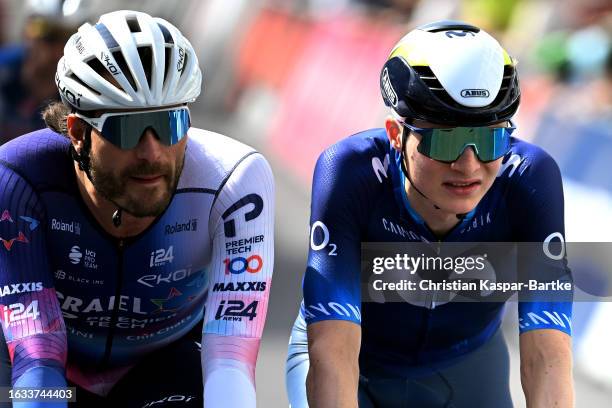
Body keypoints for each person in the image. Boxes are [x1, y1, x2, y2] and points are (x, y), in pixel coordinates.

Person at [286, 21, 573, 407]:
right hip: (356, 360)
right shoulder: (350, 172)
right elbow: (334, 352)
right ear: (394, 133)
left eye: (491, 139)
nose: (468, 166)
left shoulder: (530, 178)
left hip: (465, 363)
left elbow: (547, 355)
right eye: (447, 140)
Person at [0, 9, 274, 408]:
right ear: (77, 133)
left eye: (169, 124)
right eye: (128, 128)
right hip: (54, 376)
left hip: (159, 370)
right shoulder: (18, 178)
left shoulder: (234, 181)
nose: (153, 153)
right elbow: (37, 355)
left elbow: (229, 362)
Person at [0, 0, 84, 144]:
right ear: (27, 31)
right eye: (46, 34)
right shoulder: (5, 66)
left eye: (67, 38)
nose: (53, 50)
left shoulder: (81, 91)